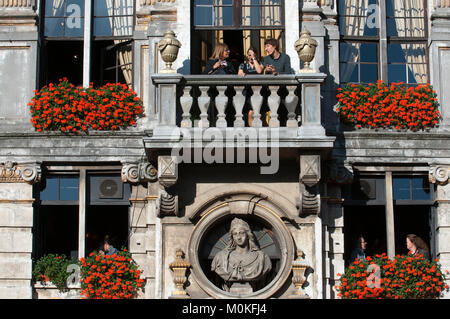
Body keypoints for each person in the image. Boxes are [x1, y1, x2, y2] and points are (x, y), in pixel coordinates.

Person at [211, 218, 272, 292]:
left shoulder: (262, 258)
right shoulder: (221, 258)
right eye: (235, 234)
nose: (239, 237)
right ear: (232, 237)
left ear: (248, 235)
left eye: (242, 233)